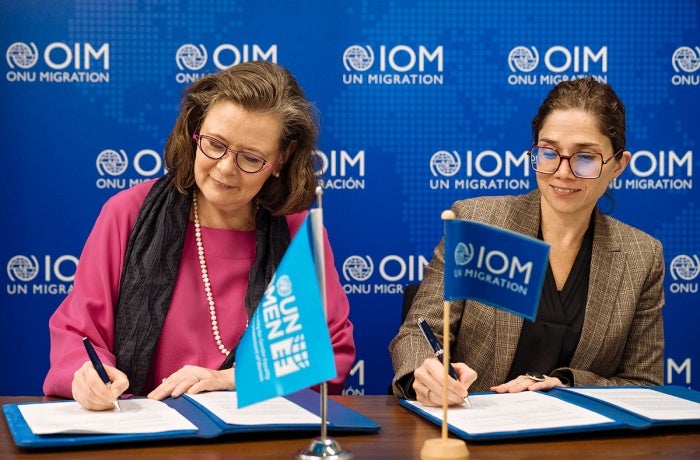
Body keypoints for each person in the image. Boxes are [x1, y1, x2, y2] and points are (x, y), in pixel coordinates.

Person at [43, 61, 356, 410]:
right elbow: (78, 334)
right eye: (215, 144)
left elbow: (328, 353)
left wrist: (232, 380)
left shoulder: (297, 232)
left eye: (250, 158)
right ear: (196, 129)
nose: (225, 168)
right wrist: (87, 374)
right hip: (145, 433)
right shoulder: (127, 213)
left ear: (280, 159)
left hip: (257, 440)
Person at [389, 76, 664, 407]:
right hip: (475, 431)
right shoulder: (478, 223)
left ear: (618, 165)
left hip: (579, 443)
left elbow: (643, 385)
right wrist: (426, 373)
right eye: (548, 152)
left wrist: (565, 383)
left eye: (585, 157)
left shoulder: (642, 256)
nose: (562, 172)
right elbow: (418, 334)